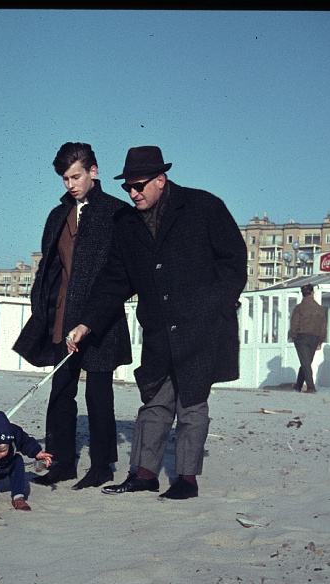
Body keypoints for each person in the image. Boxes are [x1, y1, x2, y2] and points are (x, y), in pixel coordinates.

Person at [66, 145, 247, 500]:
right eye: (127, 188)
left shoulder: (204, 207)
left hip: (203, 327)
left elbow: (233, 263)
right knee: (154, 402)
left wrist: (216, 308)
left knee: (192, 404)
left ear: (161, 180)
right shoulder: (126, 223)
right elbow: (115, 279)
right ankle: (144, 475)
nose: (133, 194)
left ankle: (186, 480)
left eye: (140, 186)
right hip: (159, 330)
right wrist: (87, 323)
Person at [13, 142, 132, 489]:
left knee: (99, 394)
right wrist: (41, 307)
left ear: (93, 172)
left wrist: (92, 319)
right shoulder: (57, 215)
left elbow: (121, 274)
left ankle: (102, 467)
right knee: (60, 392)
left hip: (101, 321)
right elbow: (48, 270)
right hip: (61, 318)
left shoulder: (117, 213)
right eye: (65, 178)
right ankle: (62, 463)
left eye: (76, 176)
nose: (70, 184)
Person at [290, 283, 327, 393]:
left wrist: (294, 336)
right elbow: (323, 326)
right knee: (306, 362)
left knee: (305, 363)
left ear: (303, 294)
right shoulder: (320, 309)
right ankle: (298, 386)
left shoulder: (299, 308)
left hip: (301, 338)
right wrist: (320, 341)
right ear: (312, 293)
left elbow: (294, 323)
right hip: (315, 338)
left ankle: (311, 387)